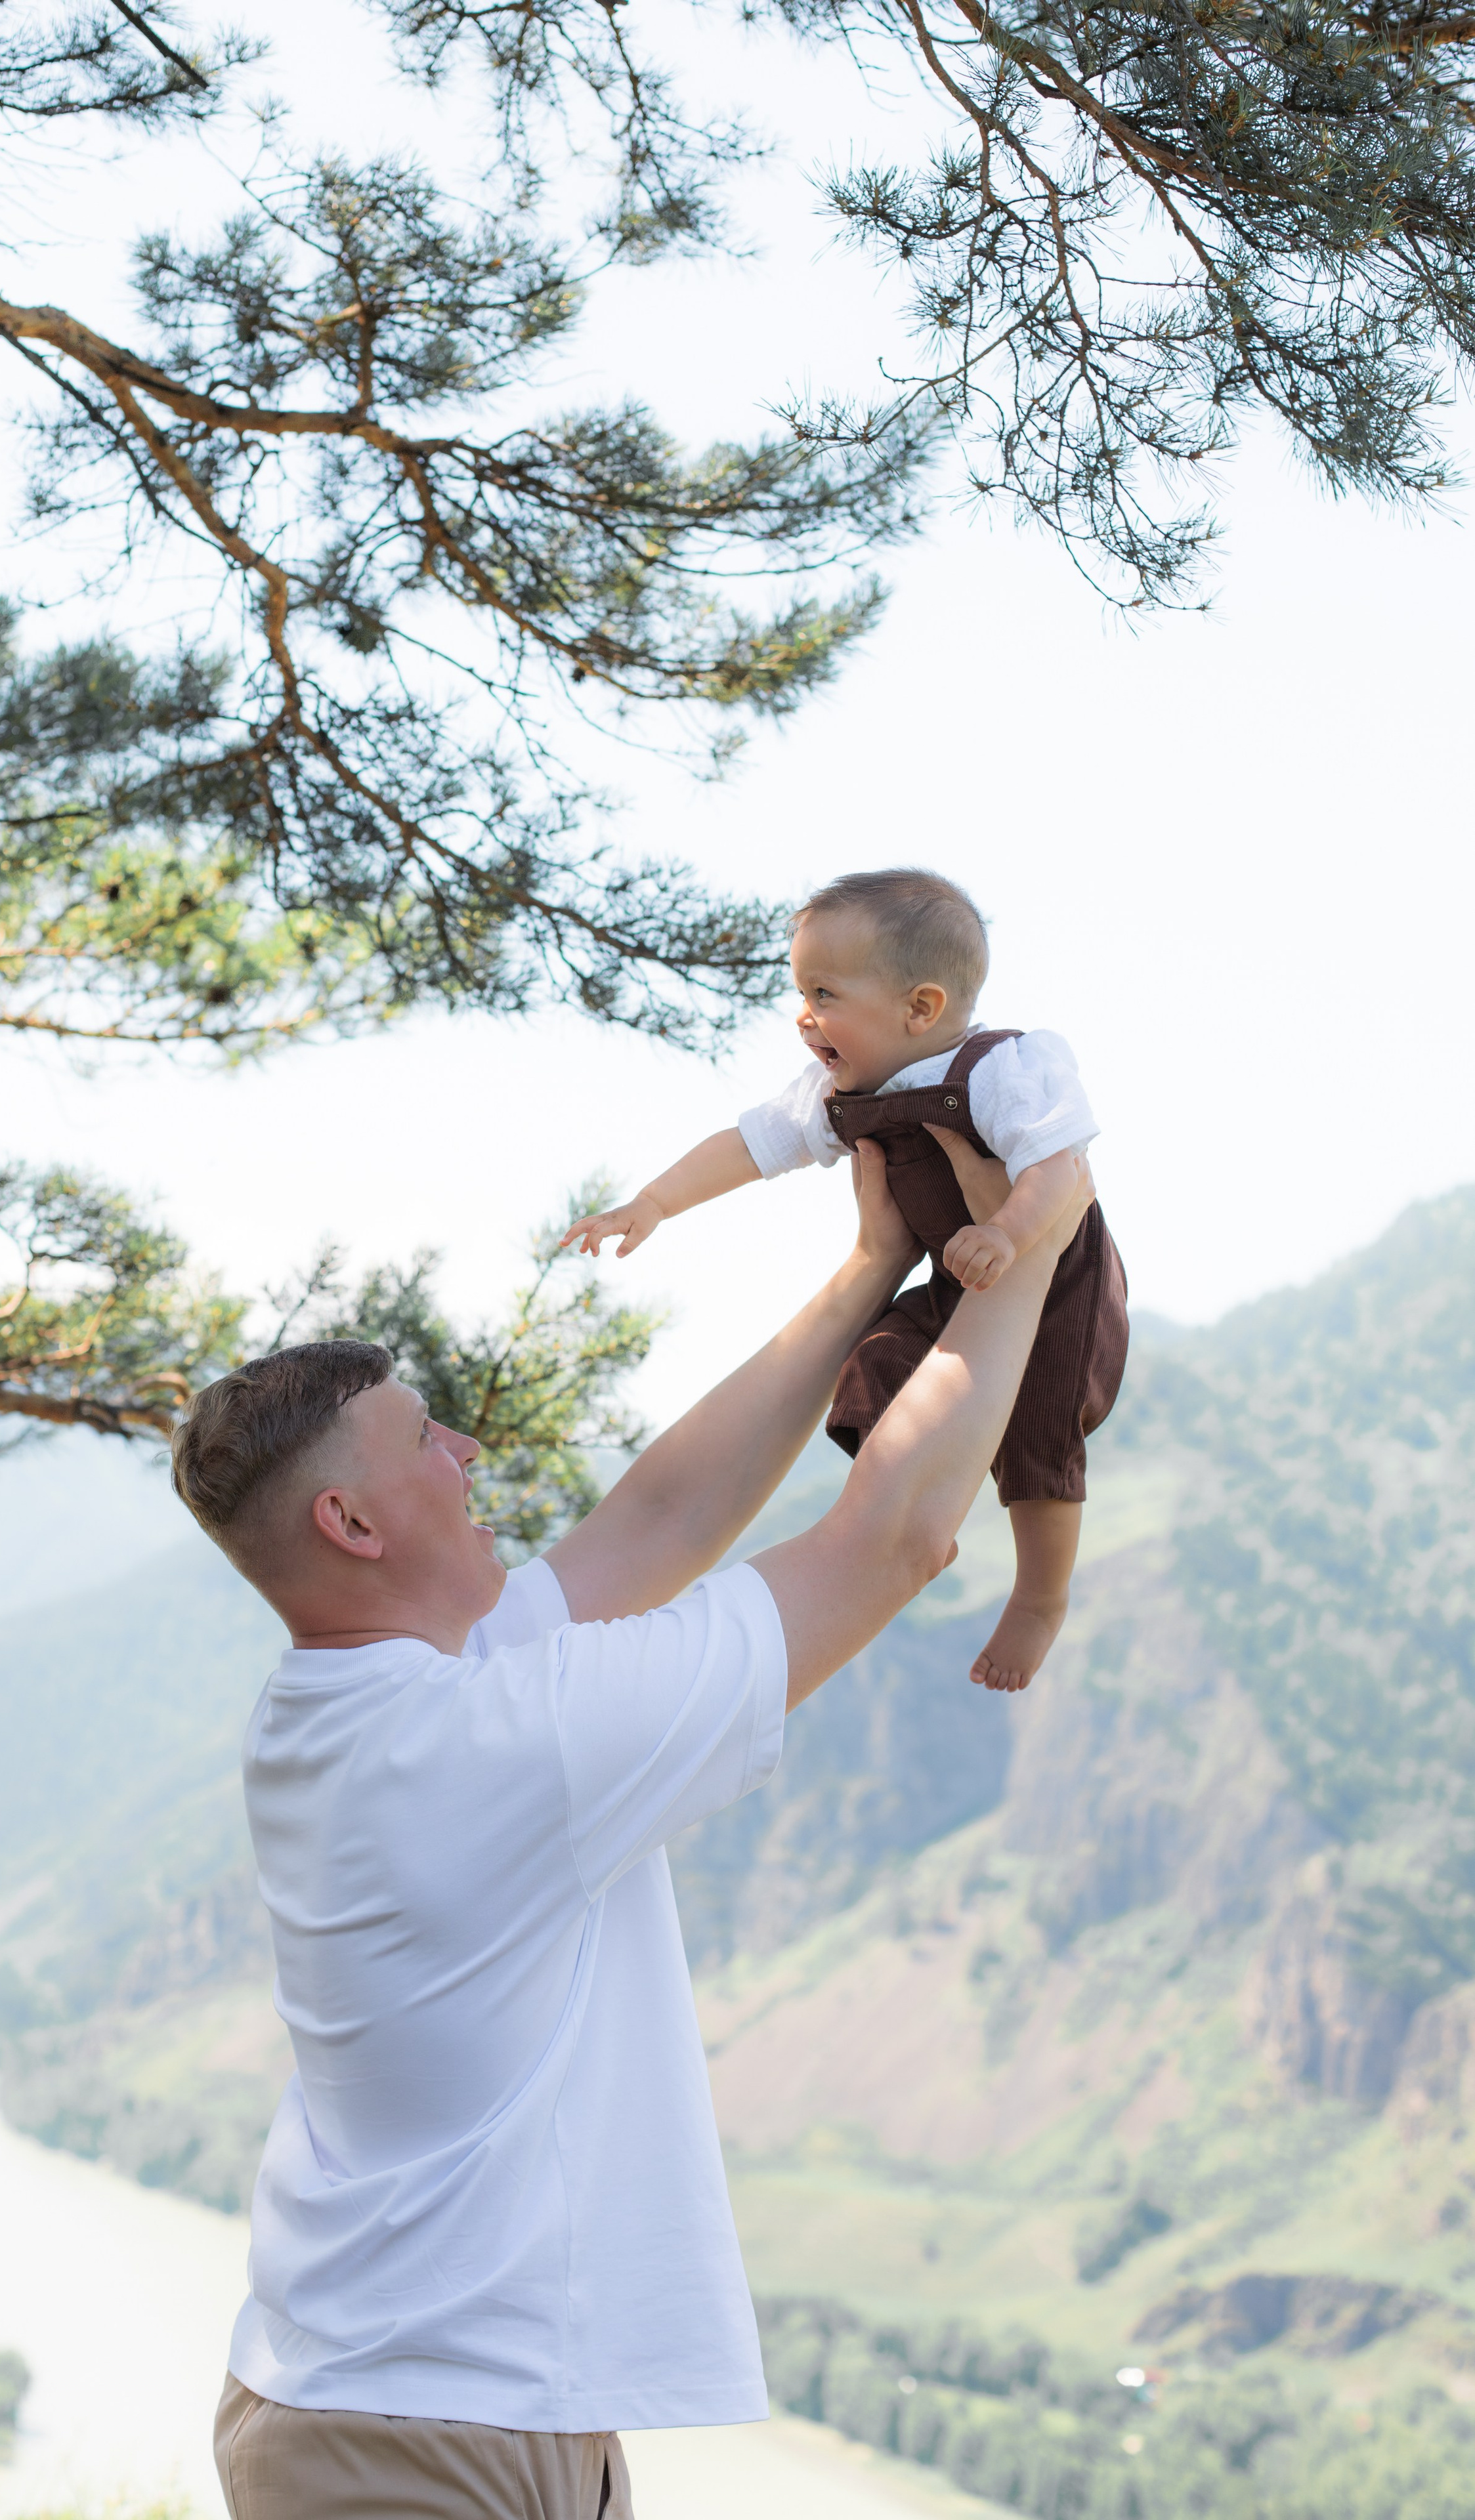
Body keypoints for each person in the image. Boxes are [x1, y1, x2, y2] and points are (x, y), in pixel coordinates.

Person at [169, 1132, 1089, 2520]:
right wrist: (1031, 1238)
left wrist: (870, 1267)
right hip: (425, 2432)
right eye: (426, 1437)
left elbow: (660, 1518)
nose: (465, 1448)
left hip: (416, 2402)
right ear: (352, 1521)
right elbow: (890, 1536)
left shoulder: (371, 1699)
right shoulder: (478, 1744)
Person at [562, 867, 1128, 1694]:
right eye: (800, 991)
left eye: (823, 993)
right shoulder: (837, 1091)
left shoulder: (1004, 1069)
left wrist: (1005, 1234)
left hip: (1056, 1275)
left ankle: (1041, 1598)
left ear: (920, 1009)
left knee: (1041, 1436)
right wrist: (652, 1204)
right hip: (955, 1276)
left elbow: (1057, 1166)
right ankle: (902, 1517)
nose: (803, 1016)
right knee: (876, 1371)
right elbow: (747, 1146)